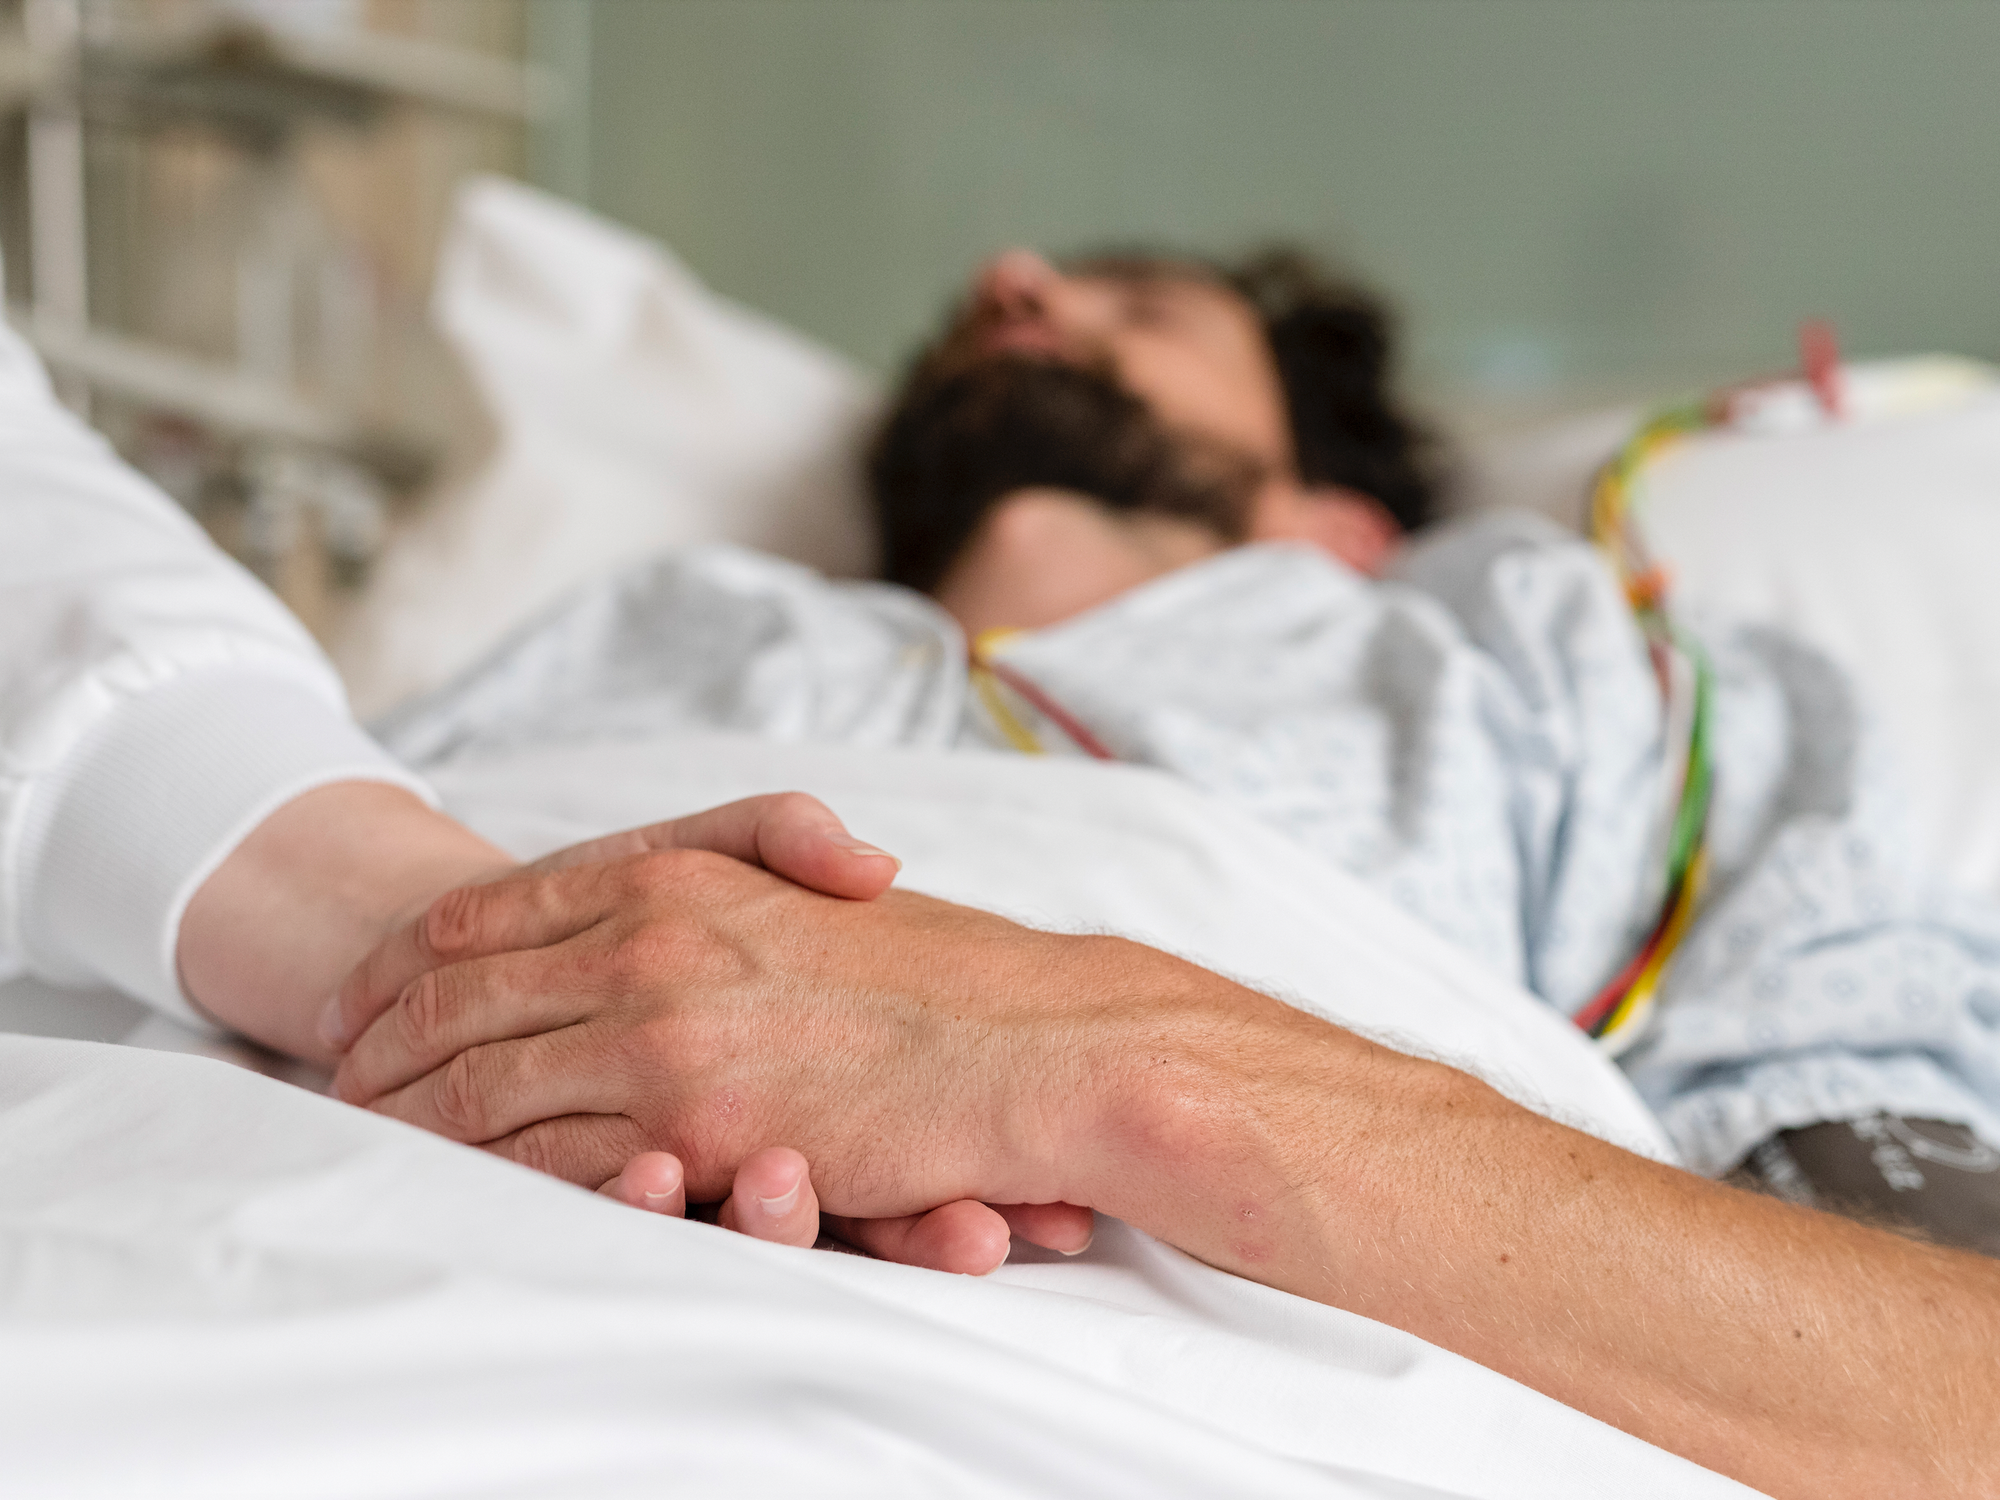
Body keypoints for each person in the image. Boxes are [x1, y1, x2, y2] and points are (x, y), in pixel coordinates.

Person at [7, 273, 1999, 1497]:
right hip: (246, 1184)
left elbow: (1938, 1377)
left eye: (1142, 306)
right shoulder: (644, 634)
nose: (1019, 281)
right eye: (1014, 290)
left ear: (1339, 522)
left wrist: (1107, 1066)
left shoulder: (1560, 678)